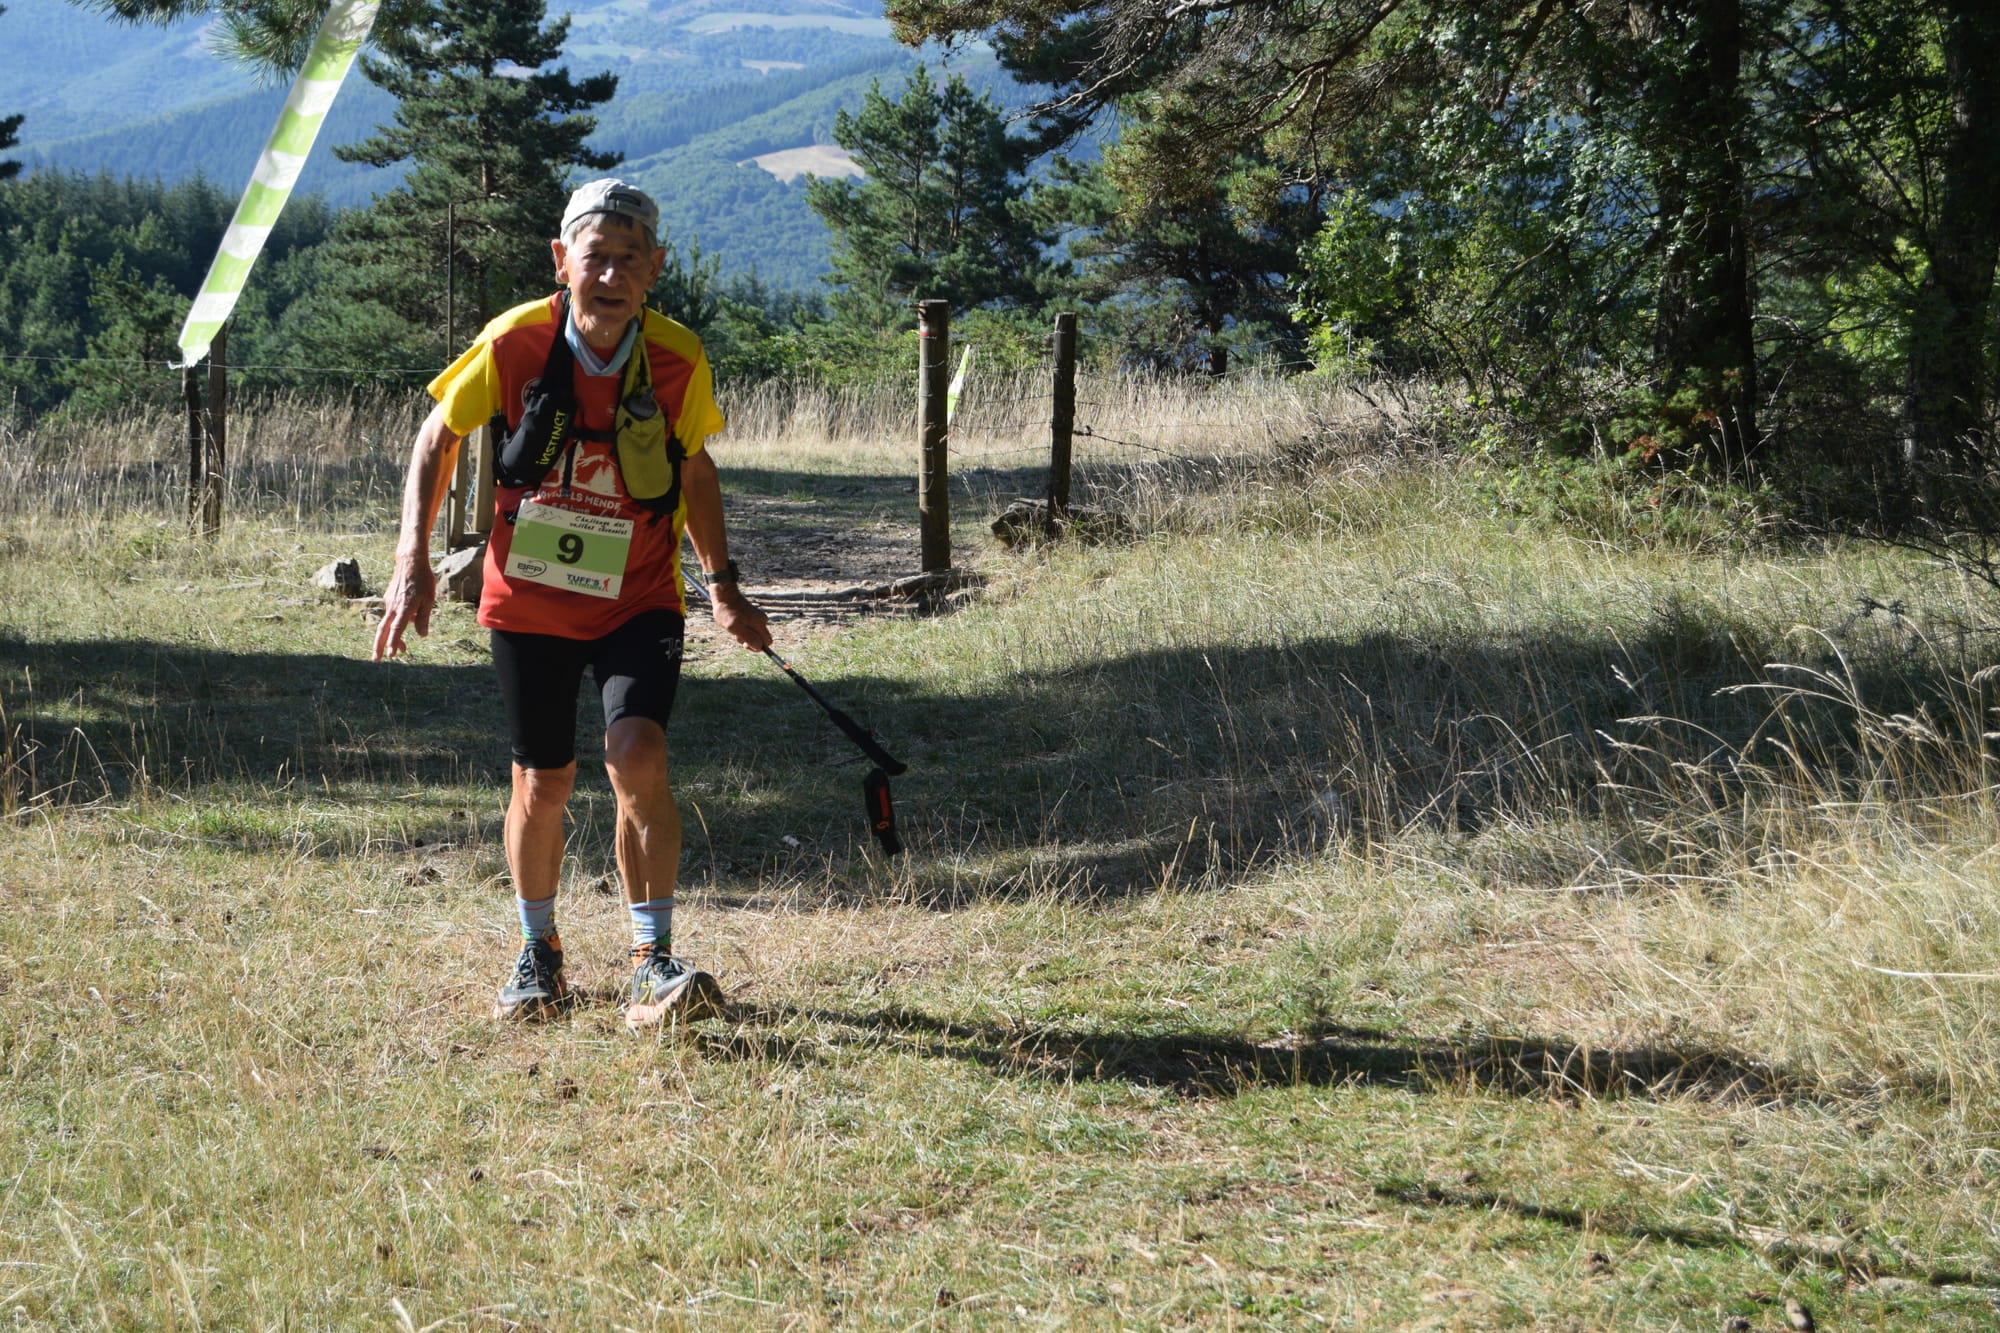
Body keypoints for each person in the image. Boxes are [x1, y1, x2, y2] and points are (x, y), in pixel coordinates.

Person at [371, 178, 771, 1029]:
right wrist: (412, 558)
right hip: (529, 604)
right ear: (563, 261)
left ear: (655, 269)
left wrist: (727, 587)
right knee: (544, 781)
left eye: (632, 259)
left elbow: (695, 470)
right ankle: (540, 953)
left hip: (639, 597)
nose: (612, 275)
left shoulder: (676, 357)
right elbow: (436, 437)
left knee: (638, 755)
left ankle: (650, 959)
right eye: (597, 256)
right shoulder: (515, 341)